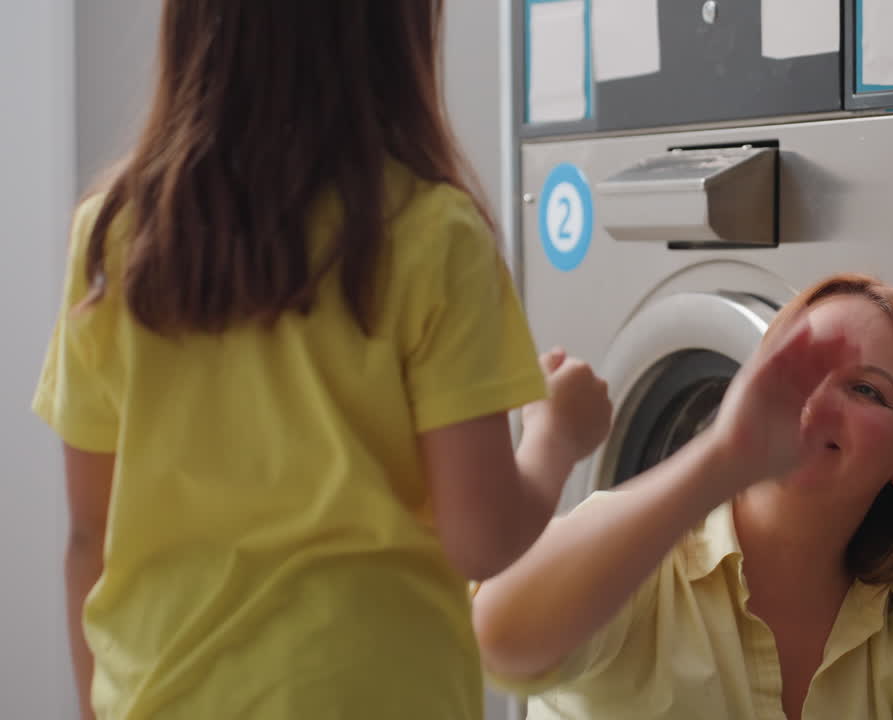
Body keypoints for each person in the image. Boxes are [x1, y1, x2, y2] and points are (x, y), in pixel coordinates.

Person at [33, 3, 616, 719]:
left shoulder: (118, 234)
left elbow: (89, 534)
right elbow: (483, 538)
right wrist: (557, 436)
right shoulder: (434, 236)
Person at [473, 274, 893, 719]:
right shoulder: (642, 564)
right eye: (801, 367)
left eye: (866, 390)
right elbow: (498, 638)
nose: (815, 400)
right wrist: (725, 456)